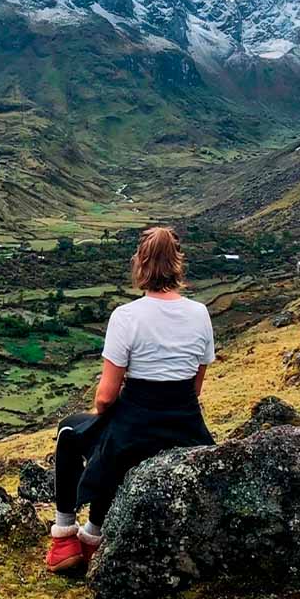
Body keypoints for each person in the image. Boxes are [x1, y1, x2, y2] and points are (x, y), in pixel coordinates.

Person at [46, 226, 216, 572]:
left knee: (70, 433)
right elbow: (195, 388)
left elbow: (106, 396)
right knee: (111, 443)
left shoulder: (126, 317)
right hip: (186, 428)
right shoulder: (200, 313)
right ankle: (93, 535)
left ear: (139, 264)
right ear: (178, 264)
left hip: (137, 426)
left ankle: (66, 539)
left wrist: (102, 414)